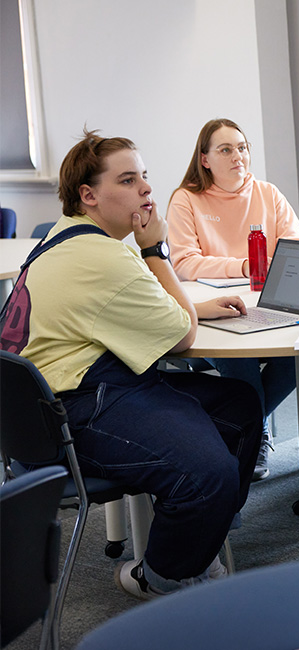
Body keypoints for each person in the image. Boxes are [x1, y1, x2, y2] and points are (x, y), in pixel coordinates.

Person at [1, 129, 263, 599]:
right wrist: (155, 248)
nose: (145, 188)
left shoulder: (66, 238)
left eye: (144, 176)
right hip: (72, 411)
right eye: (127, 180)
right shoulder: (108, 257)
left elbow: (132, 303)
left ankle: (201, 532)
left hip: (46, 403)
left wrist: (188, 304)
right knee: (208, 475)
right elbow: (181, 334)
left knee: (239, 404)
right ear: (90, 195)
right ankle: (160, 576)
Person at [167, 118, 299, 481]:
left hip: (268, 304)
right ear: (205, 159)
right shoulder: (186, 199)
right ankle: (254, 432)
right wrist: (244, 265)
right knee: (240, 360)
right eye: (226, 149)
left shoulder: (267, 193)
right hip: (215, 313)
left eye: (242, 147)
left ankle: (248, 426)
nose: (237, 156)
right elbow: (184, 263)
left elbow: (298, 249)